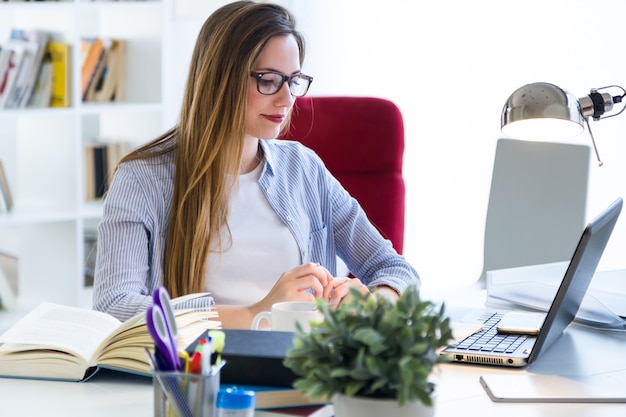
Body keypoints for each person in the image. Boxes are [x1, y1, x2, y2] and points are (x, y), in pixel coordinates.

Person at [93, 0, 419, 328]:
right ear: (220, 80)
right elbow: (115, 306)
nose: (286, 99)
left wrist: (371, 302)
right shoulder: (143, 178)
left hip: (303, 366)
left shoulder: (304, 168)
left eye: (292, 80)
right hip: (200, 369)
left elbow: (396, 270)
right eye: (267, 80)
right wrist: (255, 314)